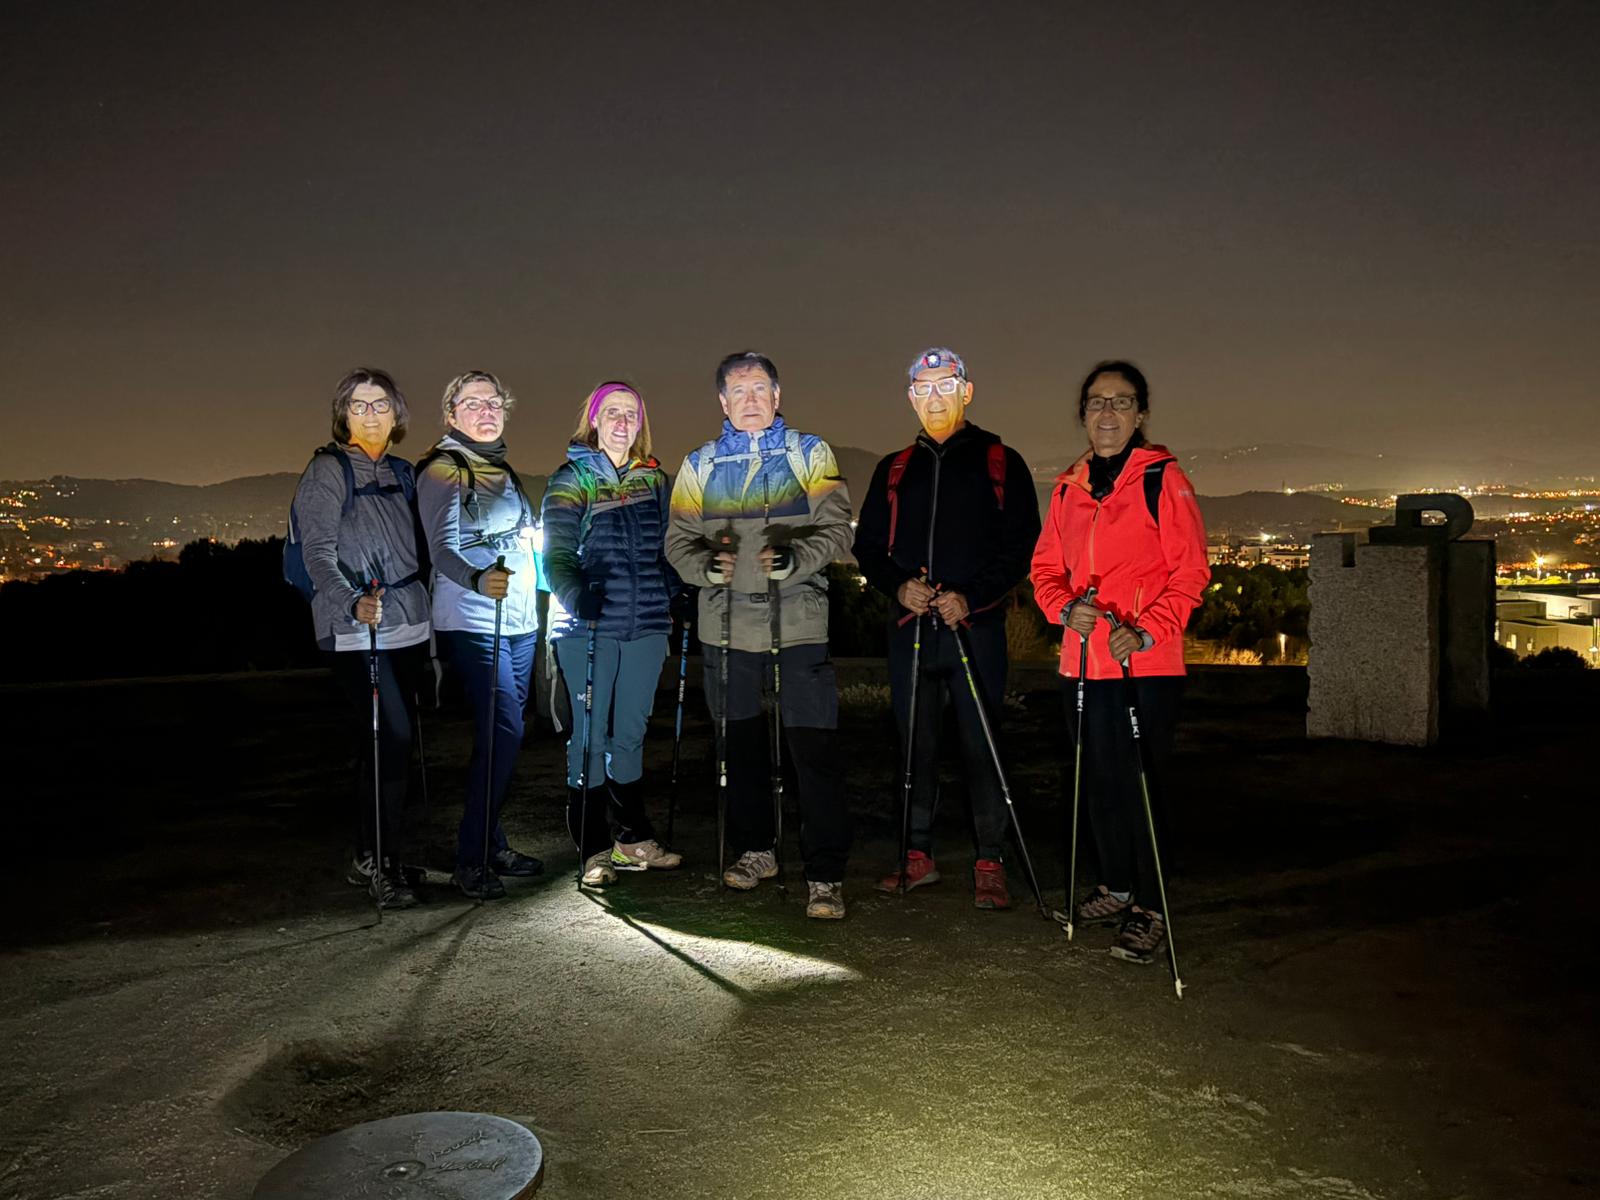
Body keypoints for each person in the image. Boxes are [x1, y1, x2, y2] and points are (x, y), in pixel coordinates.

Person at [1030, 360, 1209, 964]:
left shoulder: (1163, 479)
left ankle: (1150, 907)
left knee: (1141, 785)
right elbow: (1045, 570)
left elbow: (1190, 572)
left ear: (1141, 415)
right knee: (1097, 780)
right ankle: (1117, 886)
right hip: (1082, 665)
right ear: (1082, 414)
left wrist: (1149, 631)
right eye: (1097, 403)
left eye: (1121, 402)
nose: (1107, 414)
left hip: (1146, 665)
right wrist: (1062, 611)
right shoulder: (1067, 487)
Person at [665, 351, 854, 919]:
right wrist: (705, 568)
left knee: (812, 748)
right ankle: (755, 850)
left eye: (760, 389)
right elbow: (678, 541)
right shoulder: (697, 464)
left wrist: (796, 557)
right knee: (740, 747)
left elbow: (837, 528)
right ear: (722, 402)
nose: (750, 400)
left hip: (797, 623)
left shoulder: (809, 453)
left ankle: (825, 874)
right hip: (725, 628)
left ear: (777, 396)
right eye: (738, 391)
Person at [852, 348, 1041, 909]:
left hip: (974, 628)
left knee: (982, 744)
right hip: (910, 627)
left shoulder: (1000, 461)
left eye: (945, 385)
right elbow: (867, 549)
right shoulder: (894, 468)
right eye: (923, 388)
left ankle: (990, 860)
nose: (934, 398)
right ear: (910, 397)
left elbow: (1020, 546)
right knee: (914, 745)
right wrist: (898, 585)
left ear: (967, 391)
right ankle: (917, 855)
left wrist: (972, 596)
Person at [290, 367, 431, 909]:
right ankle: (376, 860)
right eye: (358, 405)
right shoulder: (328, 471)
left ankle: (381, 854)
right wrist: (352, 600)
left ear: (397, 415)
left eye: (380, 404)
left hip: (408, 623)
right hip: (356, 629)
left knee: (396, 742)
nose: (370, 414)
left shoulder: (402, 472)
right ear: (342, 415)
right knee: (388, 737)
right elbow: (317, 553)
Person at [541, 381, 685, 886]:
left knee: (629, 735)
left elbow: (668, 550)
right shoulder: (570, 477)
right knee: (588, 738)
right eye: (613, 413)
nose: (623, 423)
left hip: (645, 625)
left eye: (632, 414)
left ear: (640, 424)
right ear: (595, 420)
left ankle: (630, 839)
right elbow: (555, 552)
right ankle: (593, 849)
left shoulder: (656, 481)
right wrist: (576, 593)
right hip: (588, 627)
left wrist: (677, 592)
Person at [417, 370, 545, 900]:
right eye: (472, 403)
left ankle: (491, 844)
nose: (486, 411)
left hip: (517, 620)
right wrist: (475, 577)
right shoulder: (444, 470)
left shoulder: (501, 469)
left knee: (500, 736)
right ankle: (471, 857)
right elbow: (441, 547)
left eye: (493, 402)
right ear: (451, 415)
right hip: (472, 620)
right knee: (506, 732)